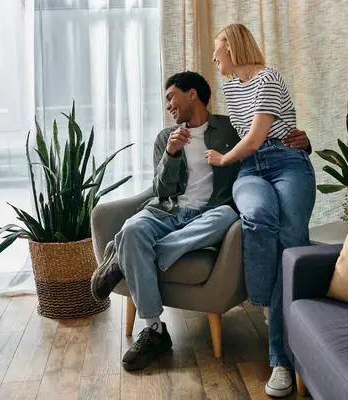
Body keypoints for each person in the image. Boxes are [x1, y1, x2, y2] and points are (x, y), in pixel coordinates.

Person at [90, 71, 311, 371]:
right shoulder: (164, 138)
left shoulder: (230, 128)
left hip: (211, 213)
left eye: (171, 96)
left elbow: (261, 143)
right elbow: (160, 191)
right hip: (167, 212)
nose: (168, 105)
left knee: (228, 215)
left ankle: (125, 256)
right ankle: (155, 329)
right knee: (132, 229)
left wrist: (302, 142)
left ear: (191, 94)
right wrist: (170, 154)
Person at [207, 24, 316, 397]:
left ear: (232, 47)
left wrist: (222, 159)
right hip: (252, 172)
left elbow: (254, 138)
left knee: (292, 240)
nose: (214, 57)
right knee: (256, 216)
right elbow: (247, 144)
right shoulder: (229, 87)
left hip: (287, 163)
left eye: (217, 49)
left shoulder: (268, 77)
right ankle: (269, 302)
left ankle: (280, 361)